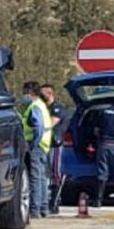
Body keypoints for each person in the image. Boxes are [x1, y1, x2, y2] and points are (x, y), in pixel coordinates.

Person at [20, 81, 53, 219]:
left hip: (36, 146)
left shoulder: (34, 106)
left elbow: (38, 126)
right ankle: (44, 207)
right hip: (44, 145)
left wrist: (33, 143)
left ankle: (34, 209)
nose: (22, 96)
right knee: (41, 178)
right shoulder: (42, 105)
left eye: (24, 93)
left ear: (30, 93)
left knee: (35, 178)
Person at [40, 84, 66, 214]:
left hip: (54, 144)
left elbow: (50, 123)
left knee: (55, 172)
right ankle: (45, 200)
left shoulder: (57, 108)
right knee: (43, 174)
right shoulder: (43, 108)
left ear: (50, 94)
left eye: (43, 94)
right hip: (43, 145)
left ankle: (54, 202)